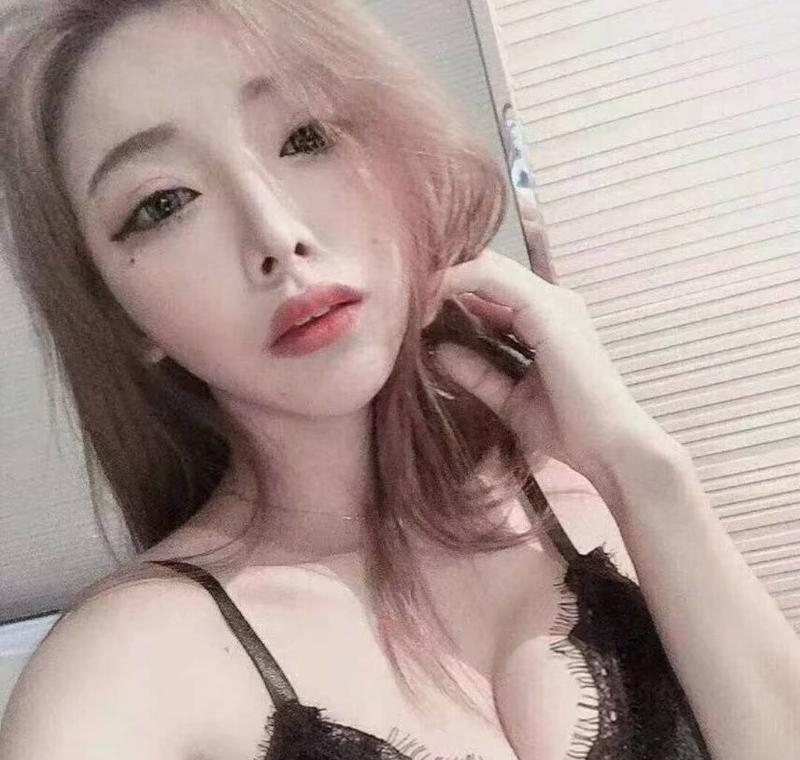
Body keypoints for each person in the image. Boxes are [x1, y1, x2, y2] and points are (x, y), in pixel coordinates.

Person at [1, 1, 798, 759]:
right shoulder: (124, 672)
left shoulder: (594, 498)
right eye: (164, 203)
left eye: (306, 135)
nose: (277, 234)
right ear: (120, 315)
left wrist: (644, 472)